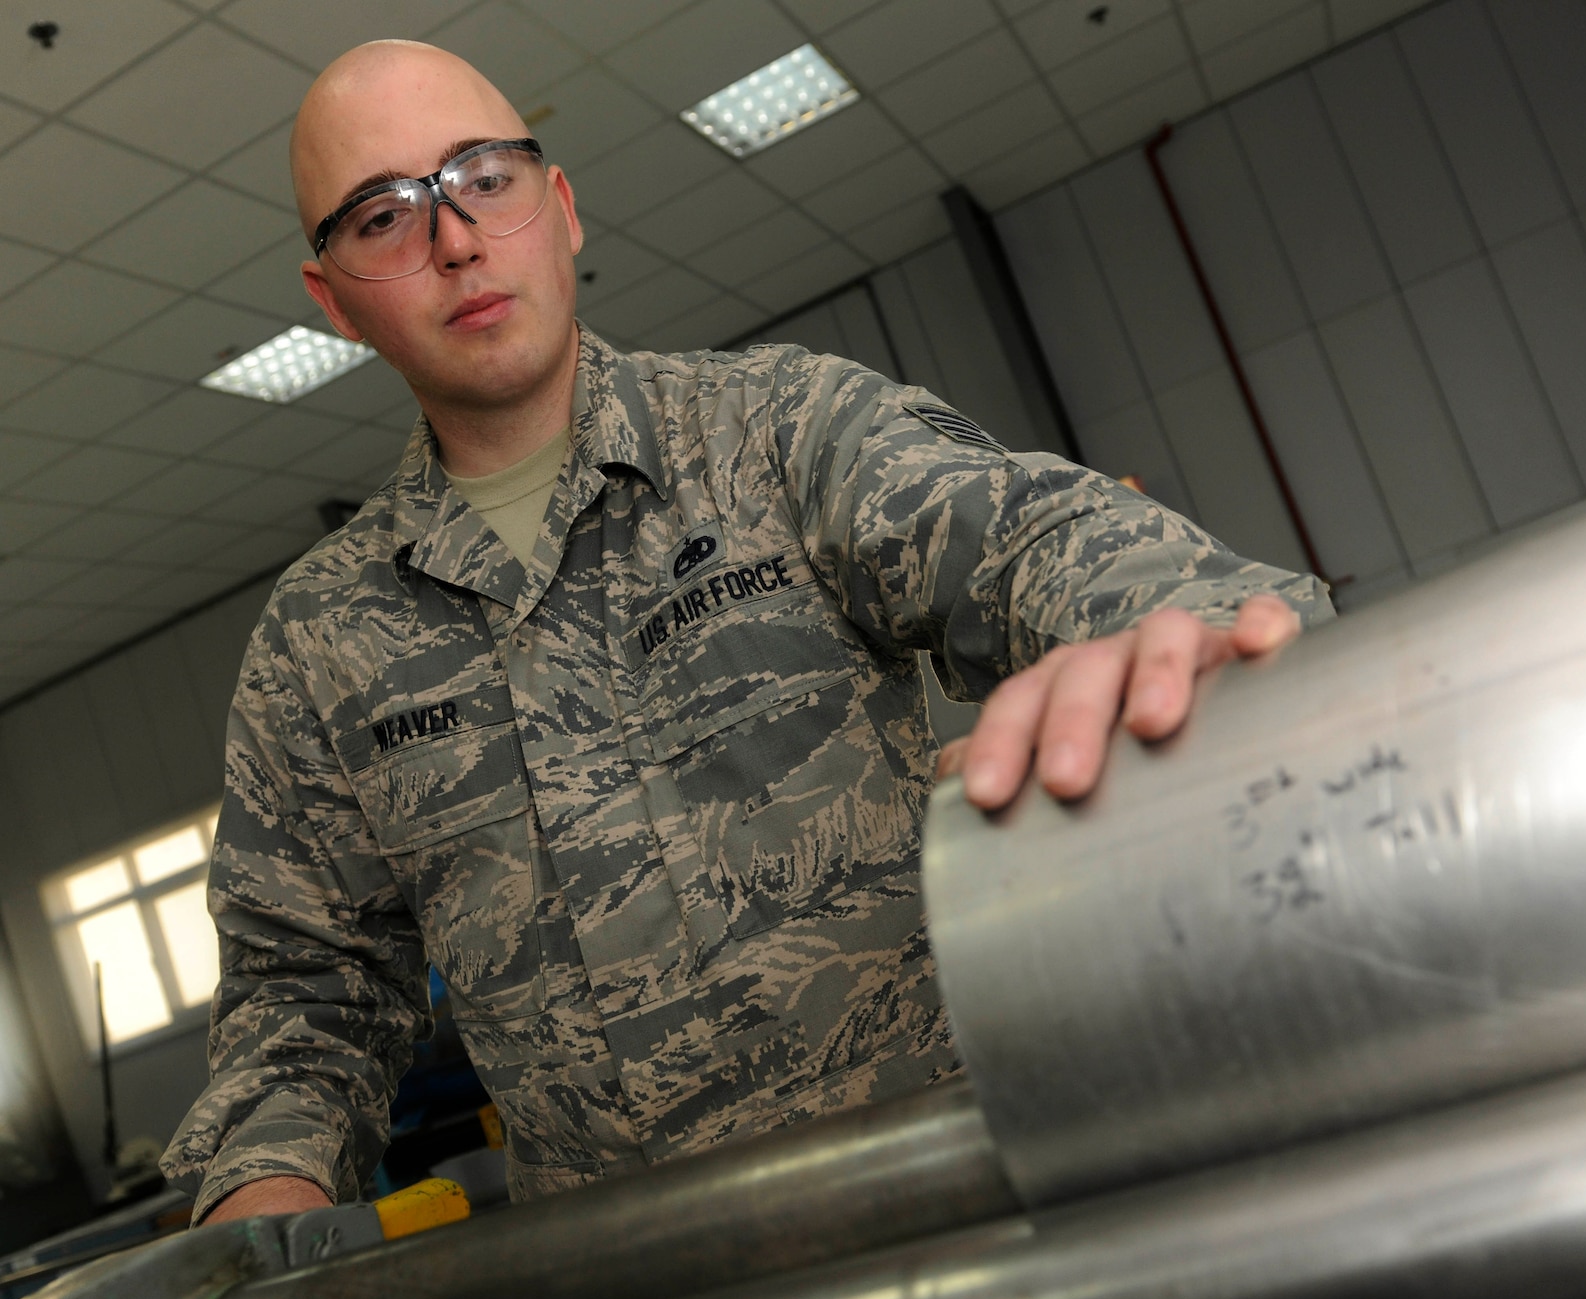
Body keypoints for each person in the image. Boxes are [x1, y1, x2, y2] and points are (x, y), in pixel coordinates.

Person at [161, 40, 1331, 1223]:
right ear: (333, 303)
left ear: (558, 210)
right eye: (382, 216)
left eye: (485, 178)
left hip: (963, 1207)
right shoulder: (317, 643)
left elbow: (1045, 544)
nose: (454, 237)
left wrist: (1175, 634)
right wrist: (260, 1217)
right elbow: (304, 994)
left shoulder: (774, 432)